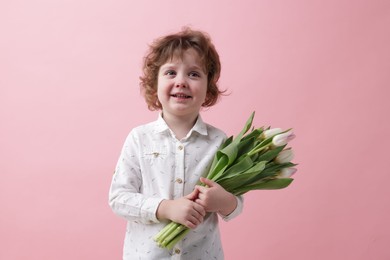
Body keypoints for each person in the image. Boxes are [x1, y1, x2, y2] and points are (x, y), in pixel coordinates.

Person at [109, 27, 243, 259]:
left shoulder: (220, 142)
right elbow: (119, 198)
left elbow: (236, 205)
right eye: (171, 72)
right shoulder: (139, 138)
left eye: (194, 74)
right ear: (155, 83)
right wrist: (165, 208)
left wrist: (224, 201)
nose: (181, 81)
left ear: (208, 87)